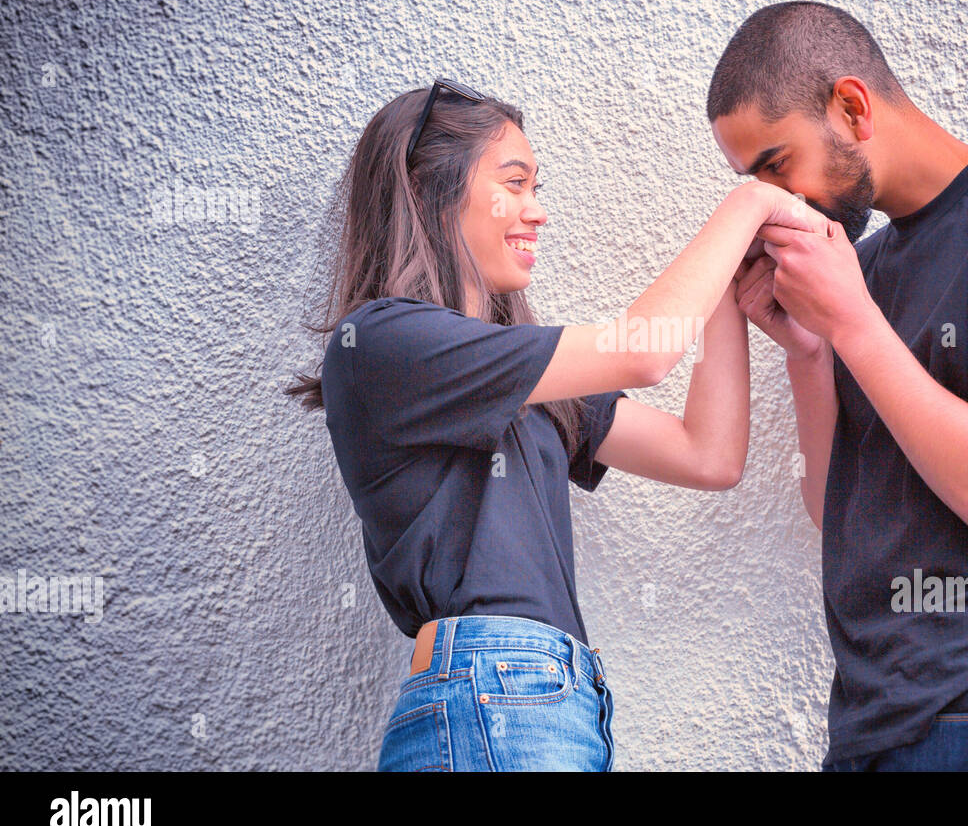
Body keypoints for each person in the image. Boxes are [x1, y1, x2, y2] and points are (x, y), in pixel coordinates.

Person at [286, 78, 830, 771]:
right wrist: (751, 199)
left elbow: (708, 455)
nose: (536, 212)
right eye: (513, 184)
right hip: (494, 694)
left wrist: (729, 283)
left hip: (555, 700)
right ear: (430, 189)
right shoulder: (382, 344)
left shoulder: (528, 379)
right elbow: (642, 351)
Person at [713, 2, 968, 771]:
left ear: (852, 107)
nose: (774, 200)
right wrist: (810, 350)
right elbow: (833, 503)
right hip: (873, 728)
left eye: (776, 165)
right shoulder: (862, 271)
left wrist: (851, 321)